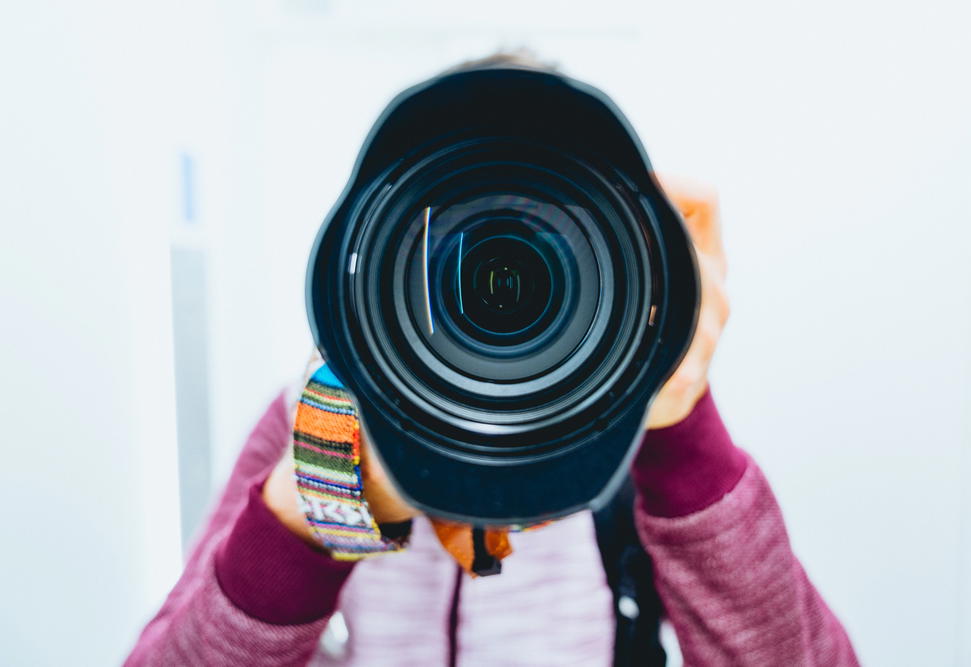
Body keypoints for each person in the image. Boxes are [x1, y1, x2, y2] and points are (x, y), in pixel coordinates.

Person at [126, 57, 860, 667]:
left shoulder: (633, 421)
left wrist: (677, 430)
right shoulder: (319, 413)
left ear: (622, 252)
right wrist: (320, 506)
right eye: (462, 225)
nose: (499, 276)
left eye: (550, 227)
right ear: (380, 248)